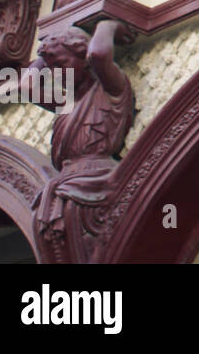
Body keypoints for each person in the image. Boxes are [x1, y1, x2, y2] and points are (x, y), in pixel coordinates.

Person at [24, 19, 135, 261]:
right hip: (64, 187)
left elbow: (99, 53)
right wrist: (49, 51)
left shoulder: (110, 89)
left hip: (94, 181)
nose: (58, 75)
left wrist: (108, 25)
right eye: (53, 70)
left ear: (84, 59)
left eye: (63, 65)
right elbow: (26, 85)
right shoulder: (67, 103)